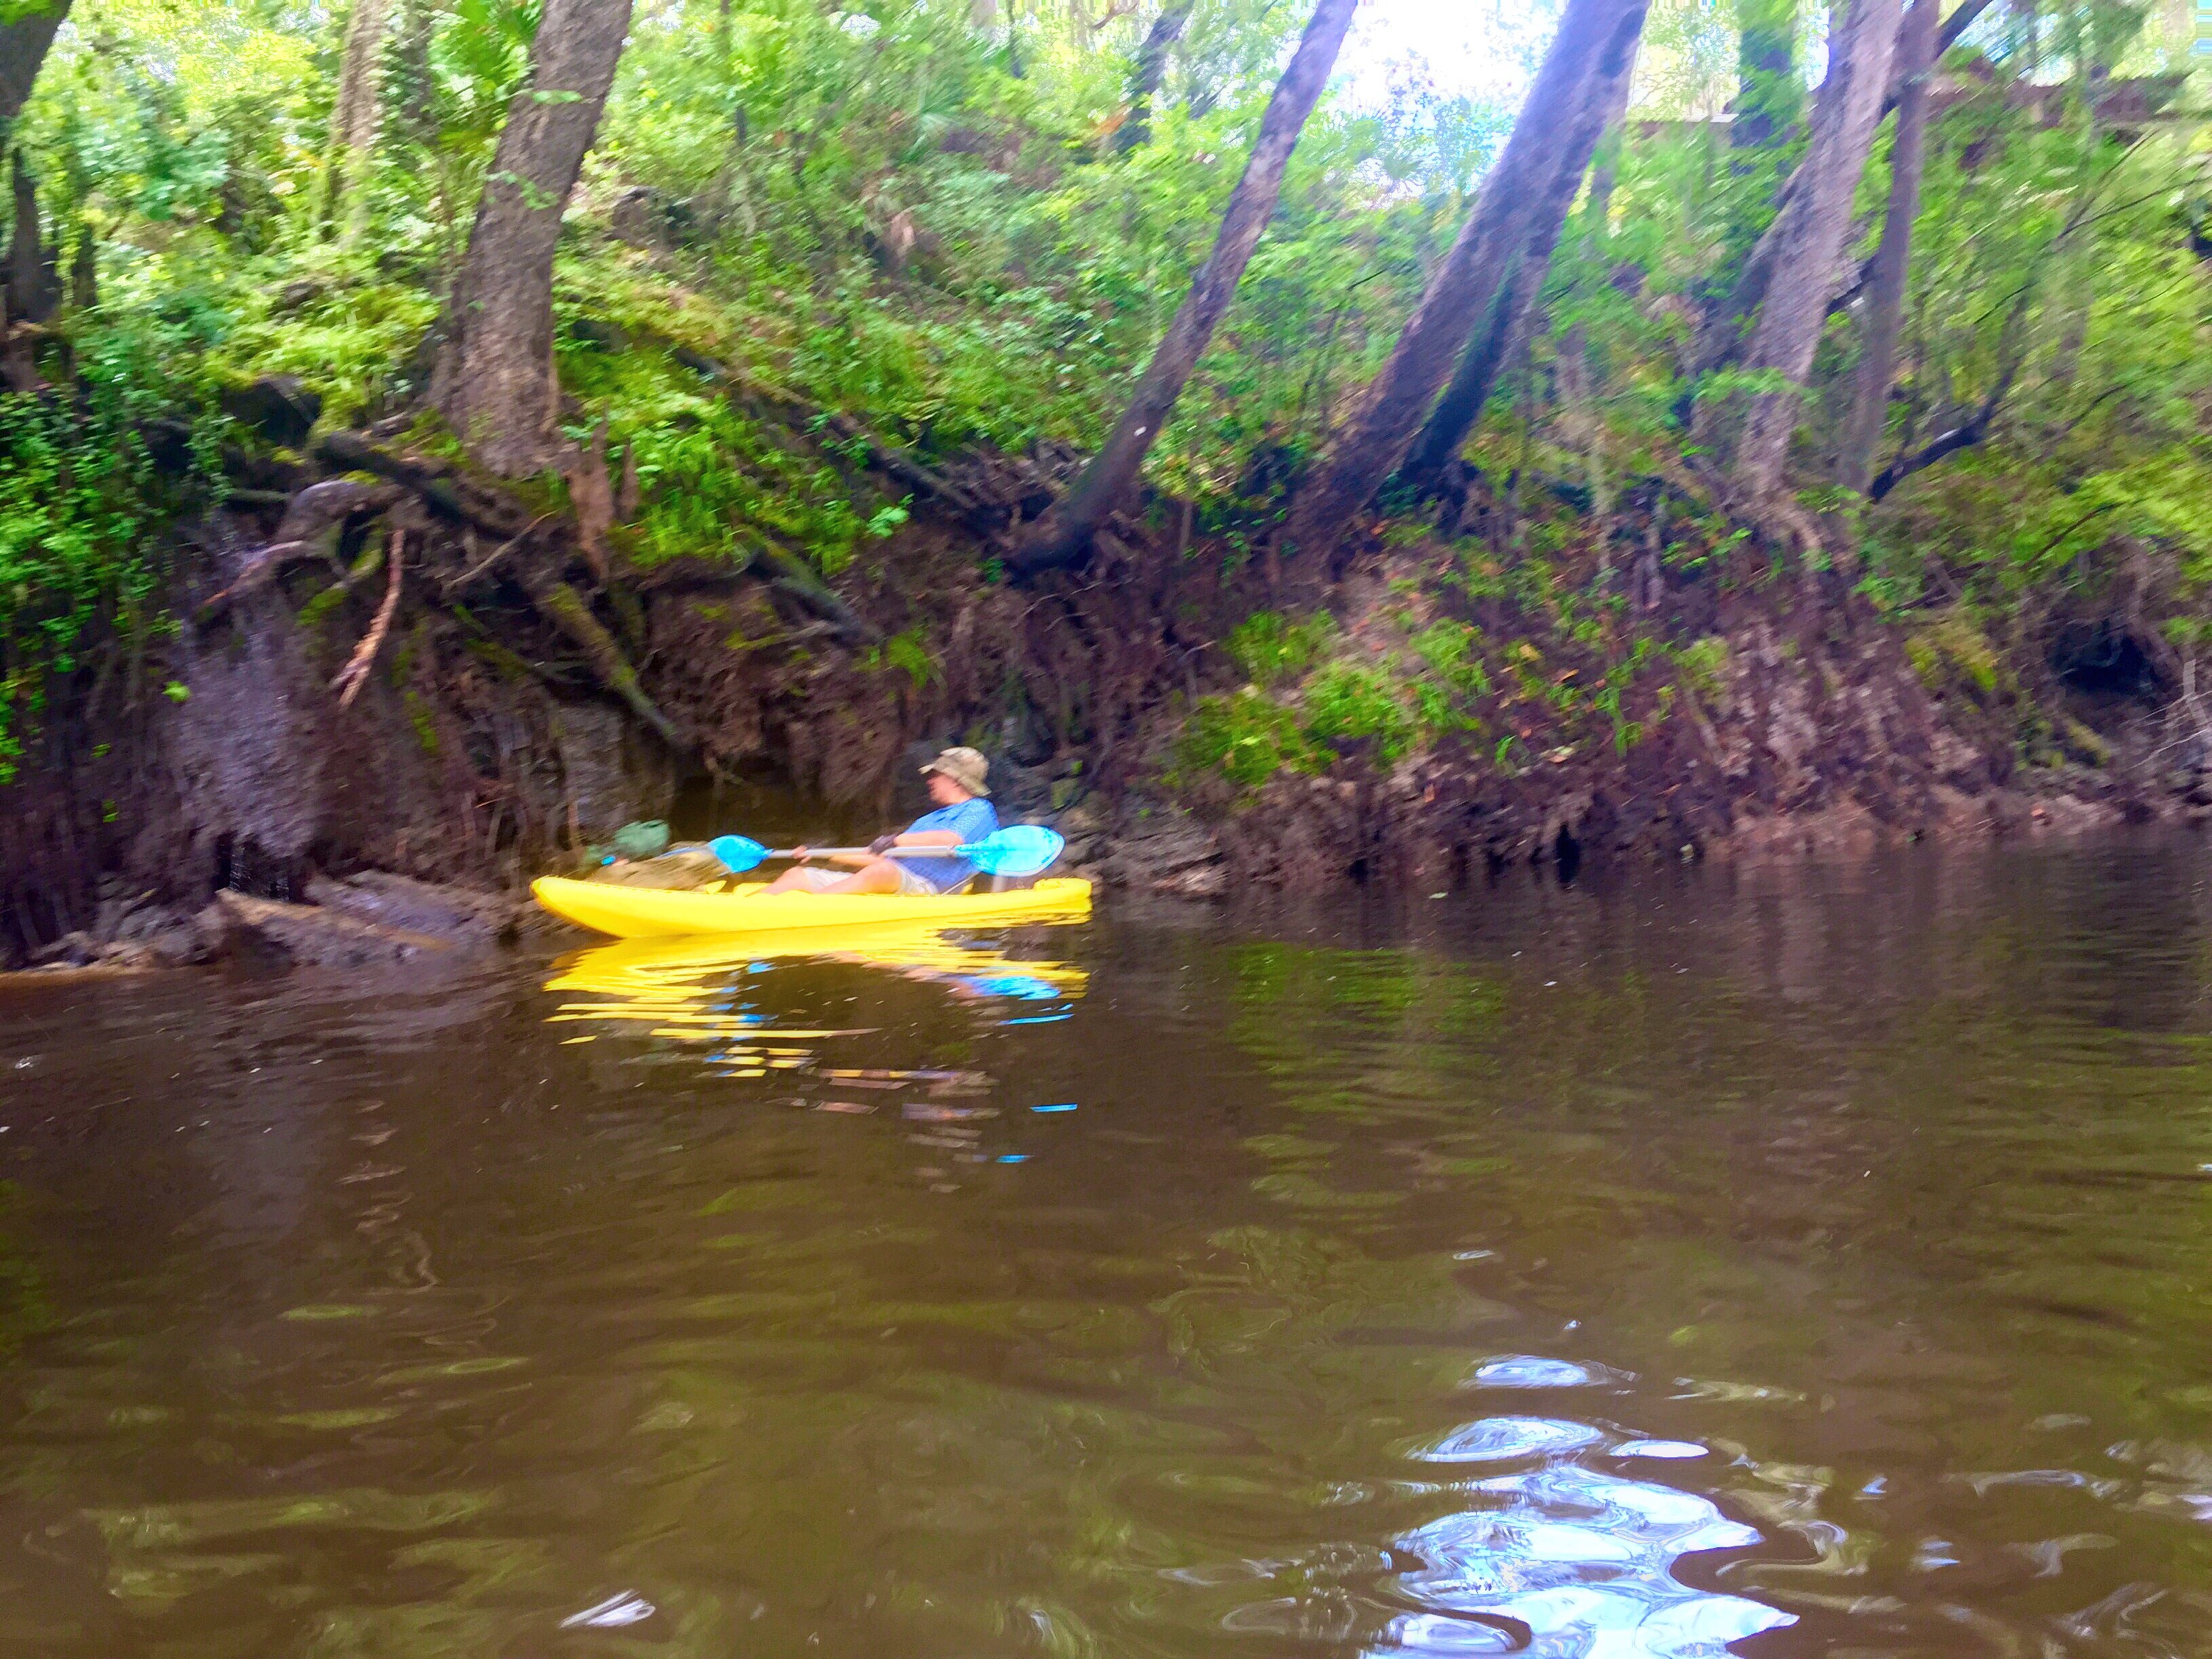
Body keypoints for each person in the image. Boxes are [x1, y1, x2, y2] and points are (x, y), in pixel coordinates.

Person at [761, 747, 999, 896]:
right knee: (797, 874)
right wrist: (819, 853)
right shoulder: (930, 818)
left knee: (882, 870)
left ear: (954, 779)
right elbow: (877, 855)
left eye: (936, 775)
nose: (929, 780)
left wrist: (897, 839)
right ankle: (751, 908)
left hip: (927, 888)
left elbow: (952, 840)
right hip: (891, 875)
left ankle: (808, 911)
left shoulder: (979, 810)